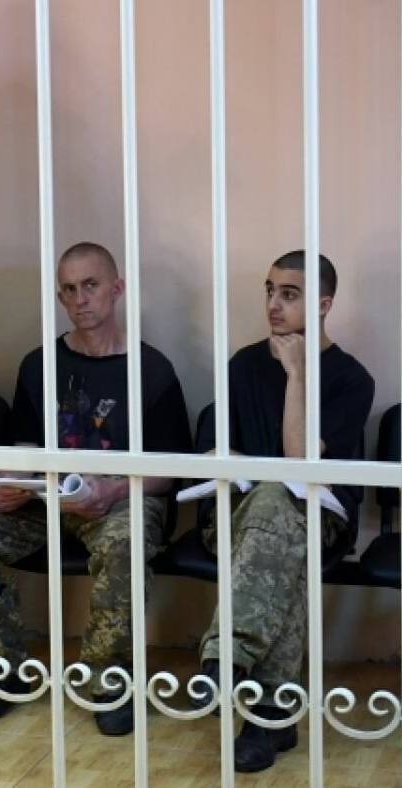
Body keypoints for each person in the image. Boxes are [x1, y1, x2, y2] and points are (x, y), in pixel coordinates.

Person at [0, 242, 192, 735]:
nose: (80, 299)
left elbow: (171, 472)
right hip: (46, 500)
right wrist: (14, 483)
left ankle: (108, 678)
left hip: (121, 500)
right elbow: (23, 447)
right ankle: (3, 669)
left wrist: (112, 491)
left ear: (116, 290)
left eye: (91, 286)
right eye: (69, 289)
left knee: (123, 544)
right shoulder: (39, 364)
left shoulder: (151, 369)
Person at [192, 250, 374, 773]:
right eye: (270, 290)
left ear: (323, 304)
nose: (273, 304)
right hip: (237, 517)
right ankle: (272, 715)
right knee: (280, 533)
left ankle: (228, 660)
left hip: (322, 521)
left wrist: (297, 374)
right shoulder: (242, 365)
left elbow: (300, 464)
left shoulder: (351, 379)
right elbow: (214, 452)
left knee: (281, 504)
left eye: (289, 294)